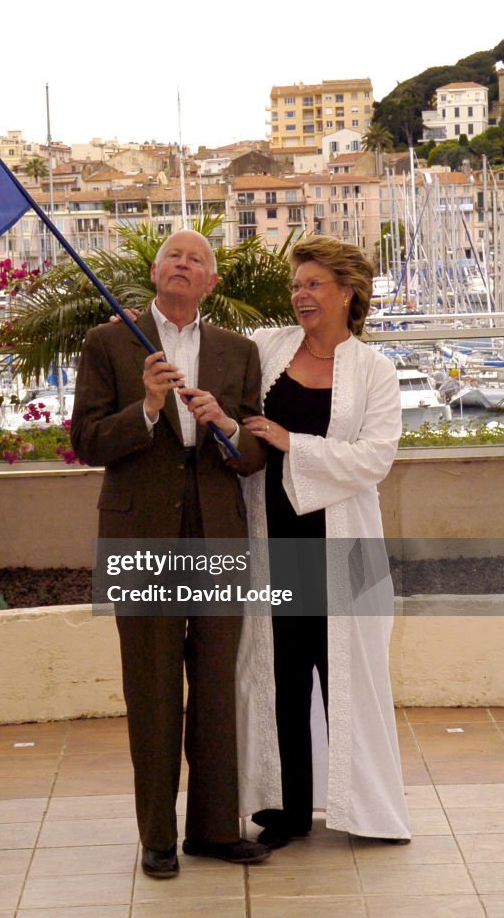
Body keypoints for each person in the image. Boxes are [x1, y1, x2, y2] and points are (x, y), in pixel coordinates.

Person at [71, 229, 271, 878]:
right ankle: (156, 835)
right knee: (152, 689)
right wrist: (150, 407)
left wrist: (227, 425)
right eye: (173, 257)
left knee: (216, 688)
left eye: (197, 260)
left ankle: (214, 830)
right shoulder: (109, 343)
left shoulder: (236, 352)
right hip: (142, 536)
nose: (183, 265)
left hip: (217, 532)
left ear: (210, 283)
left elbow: (252, 458)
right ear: (155, 273)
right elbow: (88, 442)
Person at [237, 234, 410, 847]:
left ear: (346, 292)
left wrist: (292, 443)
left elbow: (374, 458)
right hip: (275, 538)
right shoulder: (268, 348)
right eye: (297, 284)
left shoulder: (375, 370)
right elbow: (230, 403)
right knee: (281, 673)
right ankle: (285, 812)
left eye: (312, 284)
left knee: (347, 675)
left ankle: (362, 807)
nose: (300, 294)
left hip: (344, 545)